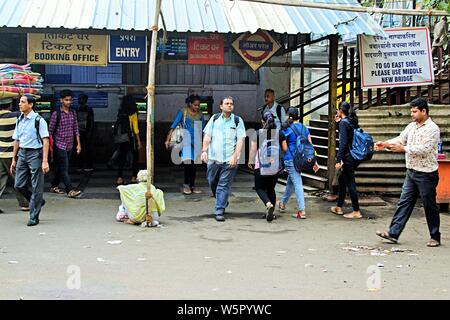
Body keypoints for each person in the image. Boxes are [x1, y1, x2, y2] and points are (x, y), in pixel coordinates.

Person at [375, 98, 441, 247]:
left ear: (424, 111)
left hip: (426, 173)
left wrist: (403, 149)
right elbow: (401, 139)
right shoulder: (411, 126)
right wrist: (386, 144)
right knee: (404, 202)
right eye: (411, 111)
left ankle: (435, 236)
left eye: (414, 111)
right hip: (411, 171)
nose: (412, 114)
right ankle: (393, 233)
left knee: (429, 205)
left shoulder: (432, 129)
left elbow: (424, 149)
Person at [201, 97, 246, 222]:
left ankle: (219, 210)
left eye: (231, 104)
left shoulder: (237, 121)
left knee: (223, 185)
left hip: (229, 160)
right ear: (221, 106)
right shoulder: (214, 119)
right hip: (213, 159)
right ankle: (223, 200)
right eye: (227, 103)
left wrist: (235, 157)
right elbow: (207, 136)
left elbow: (240, 140)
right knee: (211, 181)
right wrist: (204, 150)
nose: (229, 105)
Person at [10, 94, 50, 226]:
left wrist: (45, 160)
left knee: (36, 185)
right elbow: (16, 140)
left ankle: (34, 216)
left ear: (31, 104)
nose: (20, 104)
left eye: (23, 102)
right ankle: (38, 200)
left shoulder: (39, 120)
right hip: (22, 153)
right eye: (20, 102)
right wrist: (13, 159)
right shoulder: (19, 120)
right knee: (18, 185)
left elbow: (45, 141)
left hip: (35, 154)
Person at [278, 107, 319, 219]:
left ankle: (302, 210)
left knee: (297, 183)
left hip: (290, 159)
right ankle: (282, 203)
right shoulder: (304, 128)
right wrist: (315, 160)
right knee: (291, 182)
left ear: (289, 116)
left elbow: (285, 148)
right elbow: (310, 145)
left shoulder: (287, 129)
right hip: (302, 160)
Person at [165, 94, 205, 195]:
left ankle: (192, 185)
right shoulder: (183, 112)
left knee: (194, 165)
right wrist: (167, 140)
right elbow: (173, 126)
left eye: (198, 105)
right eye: (195, 105)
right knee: (188, 164)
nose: (197, 107)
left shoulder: (200, 115)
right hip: (186, 141)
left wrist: (205, 144)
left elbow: (204, 130)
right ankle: (186, 186)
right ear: (190, 104)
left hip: (196, 142)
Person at [330, 101, 362, 219]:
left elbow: (343, 143)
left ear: (340, 111)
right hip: (353, 156)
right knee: (342, 180)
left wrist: (338, 160)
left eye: (338, 110)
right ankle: (339, 207)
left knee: (350, 183)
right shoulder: (350, 121)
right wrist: (338, 123)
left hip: (348, 157)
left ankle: (356, 211)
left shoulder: (344, 123)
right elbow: (348, 138)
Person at [248, 111, 282, 222]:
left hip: (261, 165)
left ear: (262, 121)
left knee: (259, 187)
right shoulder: (279, 133)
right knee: (271, 188)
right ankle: (273, 212)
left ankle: (268, 204)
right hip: (275, 166)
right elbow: (285, 150)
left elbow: (253, 150)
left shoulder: (257, 133)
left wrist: (251, 161)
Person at [48, 90, 82, 198]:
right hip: (59, 144)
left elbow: (76, 128)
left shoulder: (73, 112)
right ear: (61, 100)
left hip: (70, 144)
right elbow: (50, 131)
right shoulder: (56, 114)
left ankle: (54, 186)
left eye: (70, 100)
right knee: (64, 168)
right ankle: (70, 190)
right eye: (66, 100)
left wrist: (78, 144)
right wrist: (48, 147)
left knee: (61, 167)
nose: (68, 102)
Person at [0, 99, 29, 213]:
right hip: (11, 154)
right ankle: (24, 203)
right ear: (10, 105)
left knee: (1, 179)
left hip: (0, 153)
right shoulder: (16, 115)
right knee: (18, 178)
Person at [114, 95, 142, 185]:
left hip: (121, 138)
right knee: (135, 157)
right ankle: (134, 177)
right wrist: (138, 141)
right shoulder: (133, 113)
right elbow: (135, 128)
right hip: (130, 138)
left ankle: (119, 178)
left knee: (122, 157)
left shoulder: (121, 112)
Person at [76, 93, 94, 172]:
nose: (79, 100)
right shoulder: (76, 109)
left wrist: (90, 131)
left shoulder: (89, 109)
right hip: (79, 132)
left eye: (81, 99)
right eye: (79, 99)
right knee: (79, 149)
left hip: (86, 132)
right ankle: (79, 165)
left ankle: (88, 165)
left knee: (87, 149)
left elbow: (91, 121)